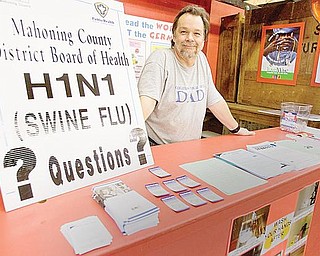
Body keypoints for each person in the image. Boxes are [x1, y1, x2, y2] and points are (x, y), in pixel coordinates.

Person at [138, 4, 254, 145]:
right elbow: (146, 104)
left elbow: (214, 99)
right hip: (158, 146)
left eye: (197, 33)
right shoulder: (160, 59)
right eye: (183, 32)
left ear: (204, 38)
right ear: (174, 35)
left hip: (190, 147)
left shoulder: (201, 60)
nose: (190, 38)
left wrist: (236, 129)